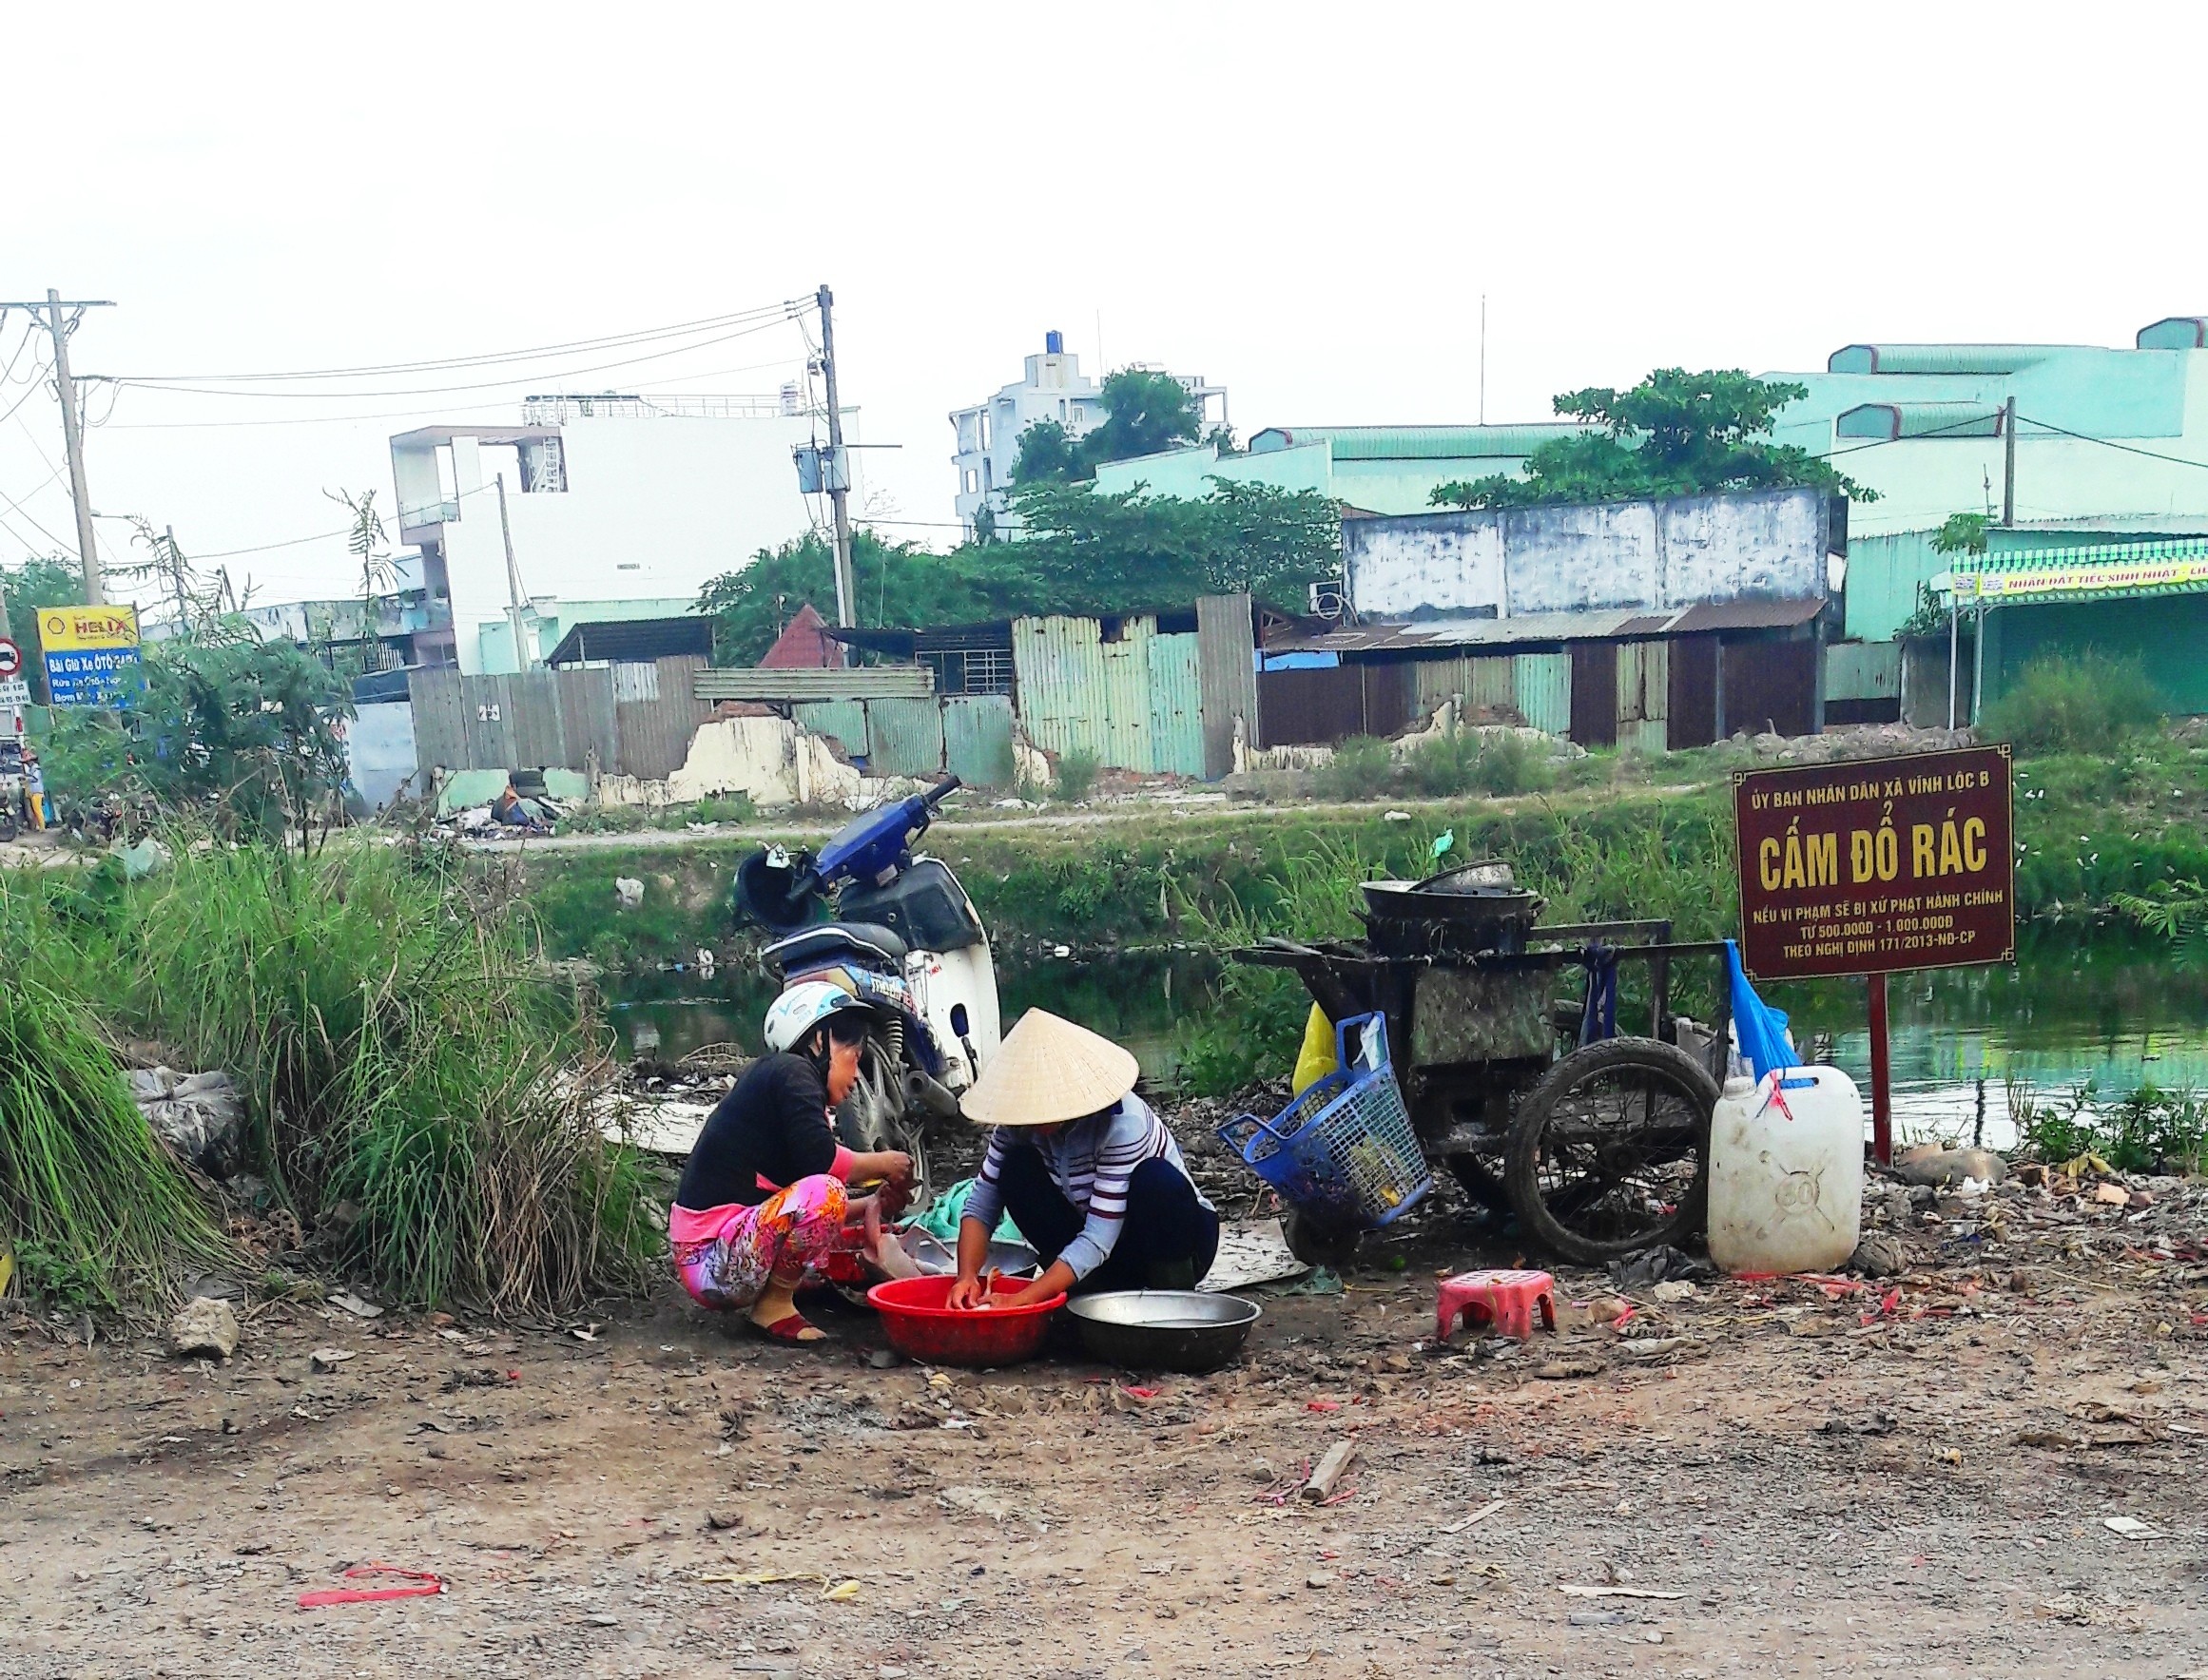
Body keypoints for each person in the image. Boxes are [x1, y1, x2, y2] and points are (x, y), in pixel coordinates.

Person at [670, 981, 912, 1342]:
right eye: (854, 1058)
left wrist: (871, 1205)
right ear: (820, 1041)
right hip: (711, 1260)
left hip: (720, 1252)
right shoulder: (793, 1073)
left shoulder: (779, 1082)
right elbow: (823, 1166)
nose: (854, 1077)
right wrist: (885, 1163)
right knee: (826, 1190)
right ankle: (774, 1305)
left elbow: (796, 1213)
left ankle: (785, 1291)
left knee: (831, 1206)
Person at [948, 1009, 1218, 1311]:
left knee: (1157, 1181)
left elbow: (1099, 1235)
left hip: (1169, 1241)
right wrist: (967, 1276)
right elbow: (982, 1202)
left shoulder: (1122, 1123)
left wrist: (1026, 1297)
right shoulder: (1016, 1127)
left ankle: (1172, 1299)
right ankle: (1086, 1292)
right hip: (1101, 1251)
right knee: (1015, 1169)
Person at [22, 751, 44, 832]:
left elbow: (35, 778)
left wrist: (26, 779)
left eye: (28, 762)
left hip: (37, 791)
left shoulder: (36, 769)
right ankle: (39, 827)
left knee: (38, 810)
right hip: (34, 791)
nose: (27, 764)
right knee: (35, 811)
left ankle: (42, 827)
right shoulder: (33, 769)